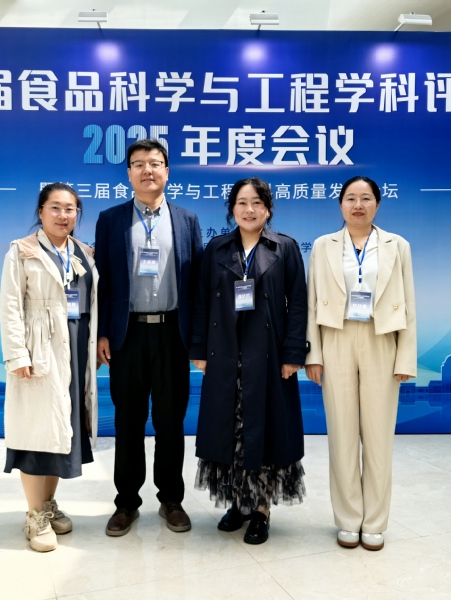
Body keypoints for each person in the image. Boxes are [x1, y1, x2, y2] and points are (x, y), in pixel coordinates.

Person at [190, 177, 308, 545]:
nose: (249, 209)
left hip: (269, 356)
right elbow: (201, 302)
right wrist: (198, 350)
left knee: (266, 432)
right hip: (224, 354)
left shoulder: (285, 248)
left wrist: (293, 354)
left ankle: (261, 509)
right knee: (231, 431)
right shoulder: (217, 248)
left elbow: (298, 304)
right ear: (232, 209)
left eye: (257, 202)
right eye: (241, 202)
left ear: (268, 209)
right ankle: (238, 503)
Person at [95, 139, 203, 536]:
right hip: (127, 336)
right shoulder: (111, 219)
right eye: (138, 164)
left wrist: (197, 339)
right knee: (128, 422)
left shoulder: (187, 220)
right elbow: (104, 282)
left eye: (155, 163)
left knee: (171, 422)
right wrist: (103, 332)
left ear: (167, 172)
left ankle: (171, 500)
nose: (147, 170)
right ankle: (126, 503)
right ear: (128, 174)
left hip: (173, 333)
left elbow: (196, 285)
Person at [305, 175, 416, 551]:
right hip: (335, 338)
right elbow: (311, 302)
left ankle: (375, 522)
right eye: (350, 198)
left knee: (379, 437)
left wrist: (405, 356)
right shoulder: (323, 246)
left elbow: (409, 305)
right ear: (340, 204)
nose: (358, 205)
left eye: (366, 198)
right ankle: (349, 519)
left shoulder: (398, 245)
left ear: (377, 204)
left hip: (381, 339)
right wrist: (313, 354)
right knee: (342, 434)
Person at [0, 182, 99, 552]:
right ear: (40, 212)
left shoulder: (84, 253)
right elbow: (10, 304)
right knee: (36, 432)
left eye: (70, 209)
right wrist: (18, 355)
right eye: (55, 207)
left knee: (63, 431)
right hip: (39, 349)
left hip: (76, 347)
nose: (62, 215)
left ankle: (49, 504)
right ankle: (34, 515)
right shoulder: (22, 251)